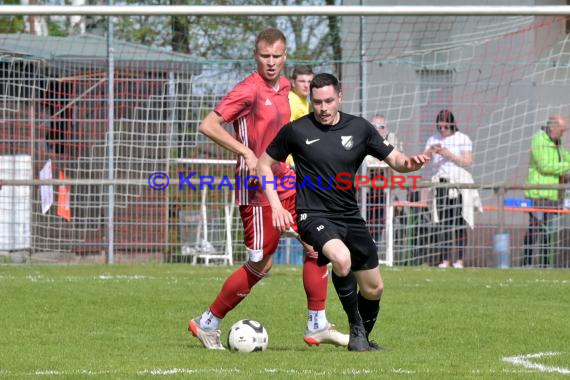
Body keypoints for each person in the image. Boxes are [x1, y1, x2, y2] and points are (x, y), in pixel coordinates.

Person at [188, 28, 348, 350]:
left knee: (318, 244)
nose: (271, 62)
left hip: (287, 181)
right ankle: (207, 323)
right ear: (256, 56)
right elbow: (208, 125)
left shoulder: (287, 87)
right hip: (257, 189)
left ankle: (317, 324)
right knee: (261, 264)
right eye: (265, 56)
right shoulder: (248, 89)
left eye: (277, 56)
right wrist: (245, 152)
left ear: (285, 56)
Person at [257, 73, 429, 351]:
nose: (323, 108)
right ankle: (356, 328)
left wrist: (411, 164)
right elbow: (263, 165)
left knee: (374, 288)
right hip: (312, 215)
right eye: (317, 102)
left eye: (328, 101)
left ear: (340, 97)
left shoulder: (360, 128)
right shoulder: (296, 130)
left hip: (349, 215)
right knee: (341, 257)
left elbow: (397, 160)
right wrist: (276, 205)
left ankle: (361, 338)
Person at [423, 110, 474, 269]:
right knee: (442, 223)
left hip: (459, 183)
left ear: (452, 124)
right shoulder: (433, 139)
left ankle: (459, 259)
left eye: (445, 127)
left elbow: (467, 161)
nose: (442, 130)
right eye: (440, 127)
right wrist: (430, 152)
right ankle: (444, 259)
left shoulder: (463, 138)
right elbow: (423, 161)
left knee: (459, 221)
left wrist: (449, 154)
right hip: (441, 183)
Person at [523, 115, 570, 267]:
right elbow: (544, 166)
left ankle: (545, 264)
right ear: (553, 128)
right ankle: (527, 262)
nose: (563, 133)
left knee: (548, 231)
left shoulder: (558, 143)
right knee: (535, 227)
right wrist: (565, 167)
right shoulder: (539, 140)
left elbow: (566, 158)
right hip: (539, 193)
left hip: (553, 195)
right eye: (561, 130)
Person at [364, 115, 403, 243]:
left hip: (385, 188)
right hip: (364, 188)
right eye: (374, 126)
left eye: (381, 127)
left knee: (381, 217)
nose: (378, 129)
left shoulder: (391, 139)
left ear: (386, 129)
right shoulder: (364, 138)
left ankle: (375, 242)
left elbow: (397, 161)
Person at [286, 65, 315, 169]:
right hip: (291, 163)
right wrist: (290, 162)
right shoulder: (291, 101)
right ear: (293, 83)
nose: (307, 85)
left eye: (310, 82)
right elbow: (285, 133)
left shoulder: (306, 103)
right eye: (302, 81)